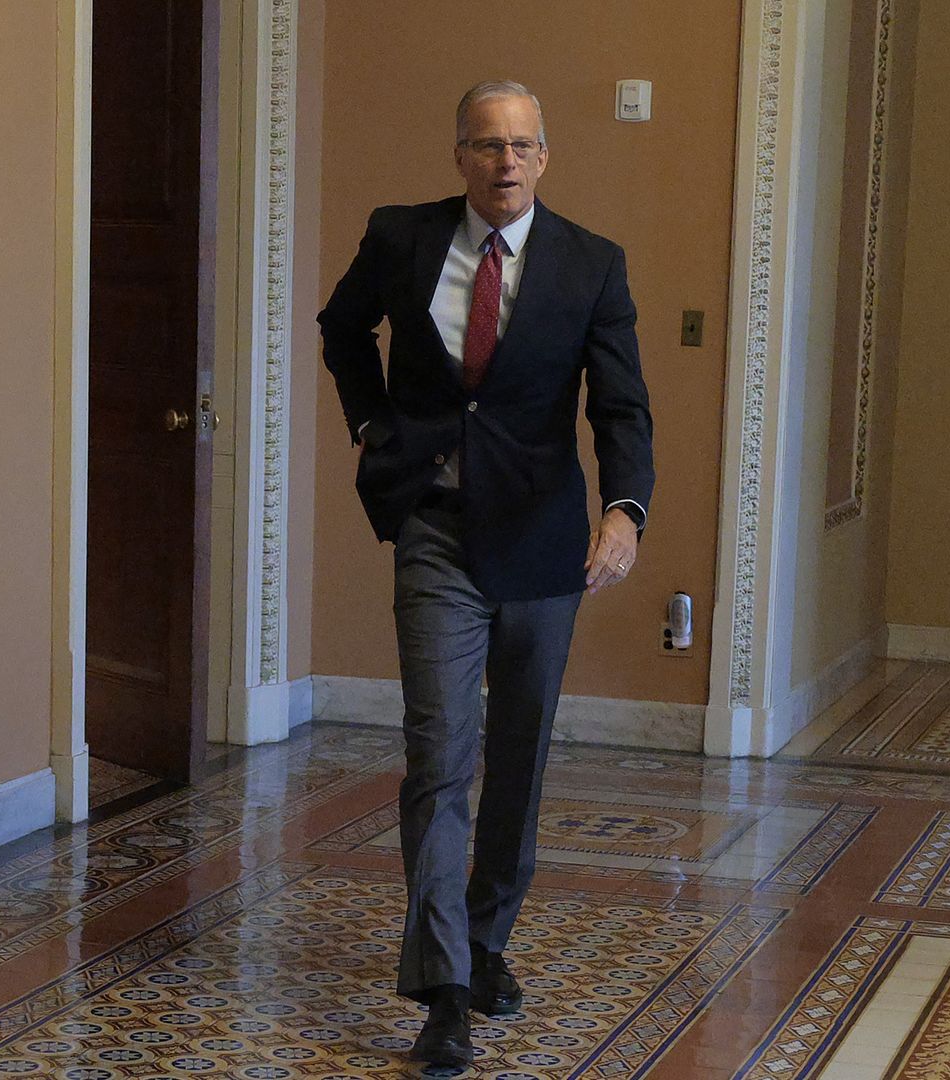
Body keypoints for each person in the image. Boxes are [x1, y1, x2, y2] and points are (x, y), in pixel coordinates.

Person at [315, 79, 654, 1070]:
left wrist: (625, 511)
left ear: (545, 157)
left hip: (545, 546)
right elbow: (343, 331)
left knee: (518, 759)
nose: (506, 163)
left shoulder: (591, 265)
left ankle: (489, 938)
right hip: (436, 532)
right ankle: (444, 989)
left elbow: (621, 406)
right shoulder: (401, 237)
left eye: (522, 146)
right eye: (486, 145)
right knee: (440, 755)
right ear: (459, 155)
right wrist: (374, 423)